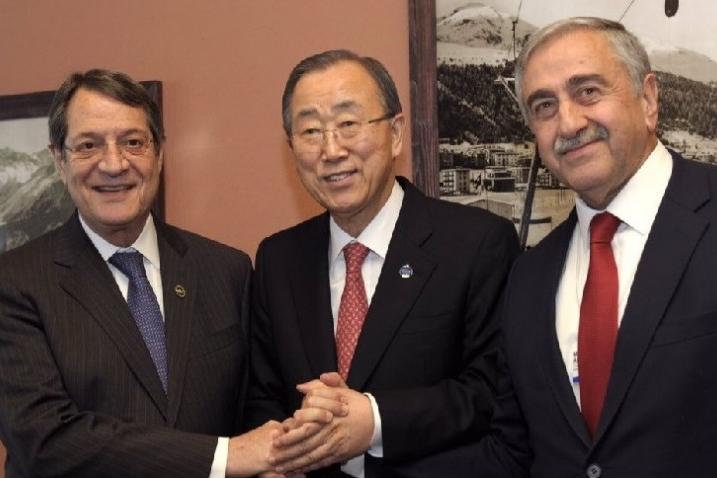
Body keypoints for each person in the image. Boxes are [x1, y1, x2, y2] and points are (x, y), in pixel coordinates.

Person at [456, 17, 717, 478]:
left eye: (588, 92)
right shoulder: (529, 278)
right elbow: (514, 451)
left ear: (648, 99)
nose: (569, 123)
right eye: (544, 106)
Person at [244, 50, 520, 477]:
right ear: (291, 147)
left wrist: (374, 419)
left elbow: (491, 391)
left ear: (395, 133)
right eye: (311, 131)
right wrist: (278, 456)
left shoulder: (477, 243)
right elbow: (263, 398)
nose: (331, 150)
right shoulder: (277, 259)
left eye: (348, 124)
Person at [0, 69, 282, 478]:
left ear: (159, 154)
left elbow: (253, 403)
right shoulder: (14, 282)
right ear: (59, 161)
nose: (114, 164)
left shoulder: (227, 270)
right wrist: (226, 457)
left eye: (133, 142)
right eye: (88, 145)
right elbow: (44, 440)